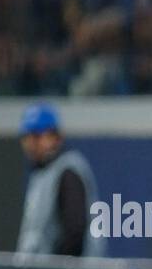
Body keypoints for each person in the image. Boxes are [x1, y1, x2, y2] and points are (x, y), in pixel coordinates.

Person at [16, 102, 103, 258]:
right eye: (26, 137)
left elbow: (75, 230)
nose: (30, 144)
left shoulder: (68, 171)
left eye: (37, 136)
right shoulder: (41, 174)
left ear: (55, 137)